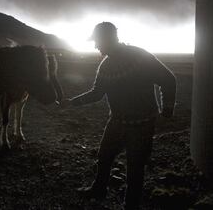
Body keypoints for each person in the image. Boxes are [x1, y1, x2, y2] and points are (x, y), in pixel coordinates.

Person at [61, 22, 176, 209]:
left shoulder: (139, 56)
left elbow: (168, 80)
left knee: (135, 167)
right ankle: (99, 190)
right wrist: (72, 102)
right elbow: (97, 93)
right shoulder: (107, 66)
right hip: (118, 121)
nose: (95, 46)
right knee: (104, 156)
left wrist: (167, 111)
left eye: (97, 41)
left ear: (109, 39)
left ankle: (130, 206)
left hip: (142, 124)